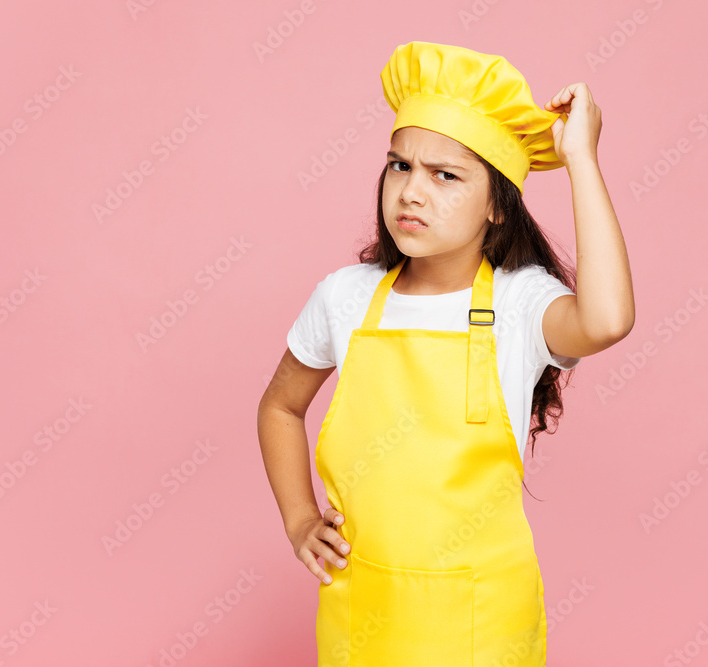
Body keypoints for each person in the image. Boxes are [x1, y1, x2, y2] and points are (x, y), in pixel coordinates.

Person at [258, 40, 635, 666]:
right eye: (400, 166)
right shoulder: (344, 298)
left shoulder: (519, 305)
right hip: (362, 614)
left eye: (446, 175)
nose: (411, 191)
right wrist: (300, 520)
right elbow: (278, 407)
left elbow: (607, 319)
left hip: (482, 622)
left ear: (496, 204)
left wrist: (581, 162)